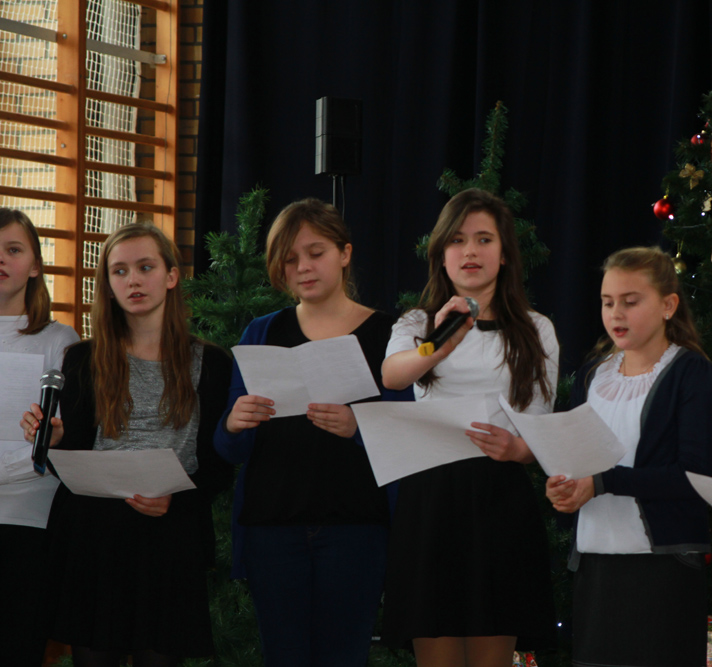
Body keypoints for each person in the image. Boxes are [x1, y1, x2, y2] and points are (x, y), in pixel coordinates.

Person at [21, 223, 232, 667]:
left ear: (171, 276)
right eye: (119, 271)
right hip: (96, 541)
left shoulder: (211, 362)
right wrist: (54, 443)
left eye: (145, 267)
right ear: (108, 284)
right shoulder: (84, 358)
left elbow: (218, 463)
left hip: (170, 540)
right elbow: (73, 464)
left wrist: (175, 500)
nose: (133, 280)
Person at [381, 188, 559, 667]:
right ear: (441, 255)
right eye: (457, 240)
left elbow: (540, 426)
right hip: (431, 500)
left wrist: (517, 450)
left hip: (498, 496)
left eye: (484, 239)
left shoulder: (536, 329)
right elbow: (392, 376)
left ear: (505, 254)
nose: (471, 252)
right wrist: (439, 342)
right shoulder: (419, 322)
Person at [214, 198, 393, 667]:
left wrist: (357, 427)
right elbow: (228, 448)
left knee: (344, 657)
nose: (303, 268)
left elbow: (408, 435)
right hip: (273, 529)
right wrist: (234, 422)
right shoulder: (262, 331)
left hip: (356, 527)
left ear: (345, 253)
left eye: (316, 253)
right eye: (290, 259)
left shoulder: (388, 334)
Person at [545, 246, 712, 667]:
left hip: (663, 568)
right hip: (596, 565)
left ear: (668, 306)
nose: (616, 314)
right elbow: (577, 457)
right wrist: (565, 486)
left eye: (630, 301)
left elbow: (693, 476)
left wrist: (603, 482)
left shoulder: (691, 373)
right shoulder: (593, 374)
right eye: (608, 302)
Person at [0, 209, 79, 666]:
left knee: (18, 648)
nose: (1, 259)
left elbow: (63, 431)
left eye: (13, 249)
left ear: (34, 265)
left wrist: (45, 443)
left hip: (28, 517)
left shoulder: (58, 339)